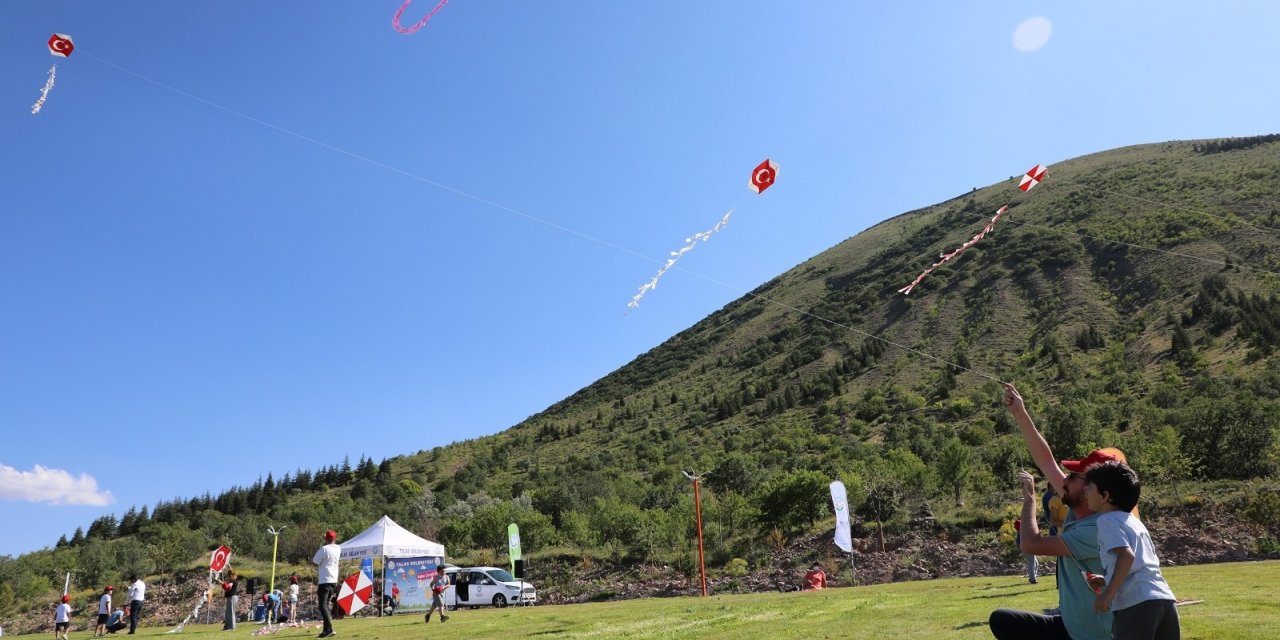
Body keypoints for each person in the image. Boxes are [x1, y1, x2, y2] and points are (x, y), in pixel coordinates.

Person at [989, 383, 1116, 640]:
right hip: (1071, 626)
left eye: (1072, 475)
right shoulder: (1083, 502)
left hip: (1089, 635)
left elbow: (1030, 544)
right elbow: (1045, 460)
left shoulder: (1098, 528)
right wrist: (1020, 414)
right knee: (1003, 620)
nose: (1063, 480)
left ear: (1093, 488)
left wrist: (1030, 499)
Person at [1084, 461, 1180, 640]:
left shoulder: (1107, 520)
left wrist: (1107, 595)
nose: (1085, 491)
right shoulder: (1134, 522)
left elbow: (1127, 556)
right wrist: (1105, 579)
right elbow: (1139, 565)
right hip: (1164, 599)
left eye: (1089, 486)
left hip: (1136, 604)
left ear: (1105, 495)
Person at [313, 530, 341, 638]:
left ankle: (329, 628)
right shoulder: (338, 548)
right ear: (335, 538)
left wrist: (321, 547)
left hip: (325, 580)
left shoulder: (324, 549)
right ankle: (326, 629)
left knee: (322, 604)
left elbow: (315, 561)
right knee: (326, 604)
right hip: (334, 580)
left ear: (326, 539)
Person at [1013, 519, 1038, 584]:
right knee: (1032, 564)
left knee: (1035, 563)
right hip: (1028, 549)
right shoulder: (1023, 532)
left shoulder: (1020, 532)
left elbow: (1018, 545)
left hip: (1028, 549)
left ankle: (1033, 578)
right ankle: (1032, 579)